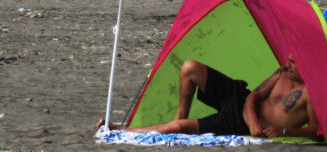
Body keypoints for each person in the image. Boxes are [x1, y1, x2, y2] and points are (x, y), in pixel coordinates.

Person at [100, 56, 317, 138]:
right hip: (240, 99)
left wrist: (285, 131)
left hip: (238, 123)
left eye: (293, 63)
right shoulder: (282, 73)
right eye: (289, 60)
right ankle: (178, 121)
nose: (287, 65)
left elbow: (317, 131)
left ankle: (122, 130)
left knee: (177, 128)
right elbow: (254, 96)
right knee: (189, 68)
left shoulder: (312, 95)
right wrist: (253, 120)